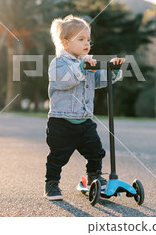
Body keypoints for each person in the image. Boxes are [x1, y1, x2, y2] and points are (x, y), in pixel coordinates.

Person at [44, 15, 124, 201]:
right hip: (61, 121)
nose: (86, 43)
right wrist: (81, 66)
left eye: (88, 39)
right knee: (57, 157)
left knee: (96, 152)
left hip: (85, 121)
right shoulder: (59, 63)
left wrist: (113, 72)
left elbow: (98, 81)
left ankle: (94, 177)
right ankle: (52, 184)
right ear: (65, 44)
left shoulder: (87, 63)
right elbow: (64, 81)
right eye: (81, 39)